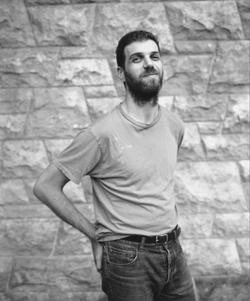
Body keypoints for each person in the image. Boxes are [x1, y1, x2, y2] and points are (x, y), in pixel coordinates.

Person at [33, 30, 198, 301]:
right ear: (121, 73)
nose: (148, 63)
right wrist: (93, 234)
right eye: (137, 58)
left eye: (154, 56)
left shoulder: (174, 125)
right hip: (126, 259)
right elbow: (45, 186)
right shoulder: (101, 134)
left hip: (173, 250)